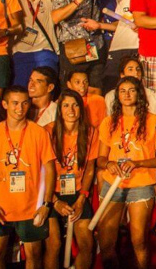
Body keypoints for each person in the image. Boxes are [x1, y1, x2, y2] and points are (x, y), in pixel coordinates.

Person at [0, 85, 56, 269]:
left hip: (31, 208)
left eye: (24, 103)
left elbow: (50, 170)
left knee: (34, 256)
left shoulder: (39, 132)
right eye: (14, 103)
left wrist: (46, 204)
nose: (20, 108)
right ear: (4, 104)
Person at [96, 75, 156, 269]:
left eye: (132, 90)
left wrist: (138, 163)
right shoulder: (109, 122)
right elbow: (100, 158)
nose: (127, 95)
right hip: (113, 183)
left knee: (139, 241)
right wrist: (108, 164)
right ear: (117, 95)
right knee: (106, 242)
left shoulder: (153, 121)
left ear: (139, 94)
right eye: (122, 91)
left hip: (141, 184)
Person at [46, 89, 97, 269]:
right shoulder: (48, 131)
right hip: (51, 193)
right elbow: (41, 171)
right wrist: (54, 201)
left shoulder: (90, 132)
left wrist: (82, 198)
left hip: (77, 192)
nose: (71, 110)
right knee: (54, 244)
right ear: (59, 110)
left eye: (75, 105)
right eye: (66, 105)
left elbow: (90, 168)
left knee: (87, 244)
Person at [51, 0, 105, 93]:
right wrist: (77, 1)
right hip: (73, 48)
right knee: (72, 92)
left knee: (94, 90)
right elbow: (55, 17)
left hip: (95, 45)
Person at [100, 0, 143, 92]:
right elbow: (120, 21)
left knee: (138, 90)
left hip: (138, 45)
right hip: (118, 46)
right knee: (111, 89)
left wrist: (143, 24)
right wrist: (99, 25)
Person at [65, 70, 106, 141]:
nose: (82, 85)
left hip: (94, 140)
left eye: (85, 82)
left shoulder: (98, 100)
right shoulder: (63, 102)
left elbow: (103, 127)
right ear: (69, 84)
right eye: (77, 82)